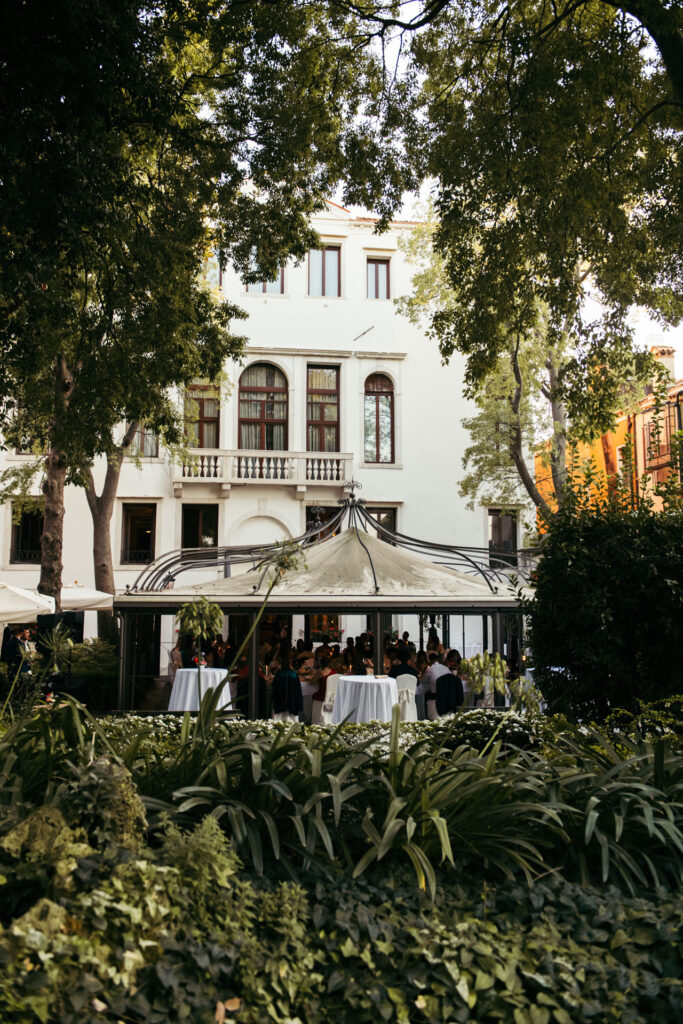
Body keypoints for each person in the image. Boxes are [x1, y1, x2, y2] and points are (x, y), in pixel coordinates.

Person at [272, 649, 303, 717]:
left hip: (280, 703)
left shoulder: (278, 674)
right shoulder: (294, 674)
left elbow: (274, 688)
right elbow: (298, 692)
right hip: (292, 703)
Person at [435, 649, 465, 715]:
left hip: (444, 707)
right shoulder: (446, 670)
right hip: (451, 704)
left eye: (454, 661)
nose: (453, 663)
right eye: (451, 661)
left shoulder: (460, 669)